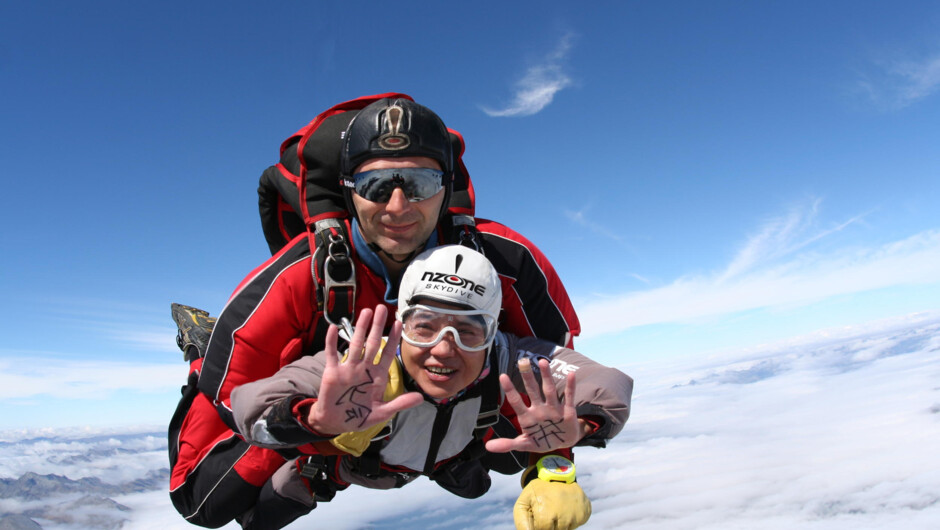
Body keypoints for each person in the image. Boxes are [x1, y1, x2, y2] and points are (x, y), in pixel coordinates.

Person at [169, 97, 582, 528]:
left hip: (447, 399)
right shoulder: (299, 277)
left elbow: (553, 374)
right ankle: (205, 344)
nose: (399, 206)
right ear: (348, 189)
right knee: (207, 503)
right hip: (332, 411)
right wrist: (316, 429)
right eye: (376, 185)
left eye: (421, 183)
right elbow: (230, 394)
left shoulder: (504, 262)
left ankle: (432, 454)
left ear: (446, 187)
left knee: (504, 463)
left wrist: (554, 467)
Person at [231, 245, 633, 529]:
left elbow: (607, 383)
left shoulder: (509, 356)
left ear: (492, 333)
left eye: (468, 331)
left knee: (490, 476)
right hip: (361, 468)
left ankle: (452, 466)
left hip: (450, 458)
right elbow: (251, 403)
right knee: (233, 515)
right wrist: (313, 419)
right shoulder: (365, 367)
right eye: (425, 327)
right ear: (401, 324)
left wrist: (579, 429)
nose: (444, 349)